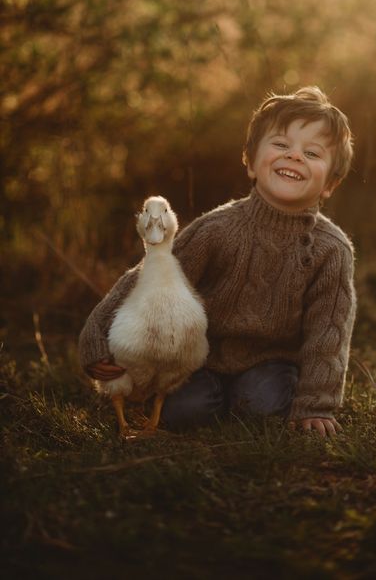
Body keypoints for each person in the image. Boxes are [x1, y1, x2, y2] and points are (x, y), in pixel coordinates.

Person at [80, 86, 356, 437]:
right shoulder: (218, 229)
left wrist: (316, 405)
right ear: (251, 161)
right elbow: (148, 278)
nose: (295, 157)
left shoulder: (331, 250)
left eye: (312, 152)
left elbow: (327, 335)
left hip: (270, 362)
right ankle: (207, 399)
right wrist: (96, 338)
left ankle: (250, 398)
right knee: (185, 410)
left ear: (330, 183)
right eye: (281, 145)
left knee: (262, 405)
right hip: (199, 359)